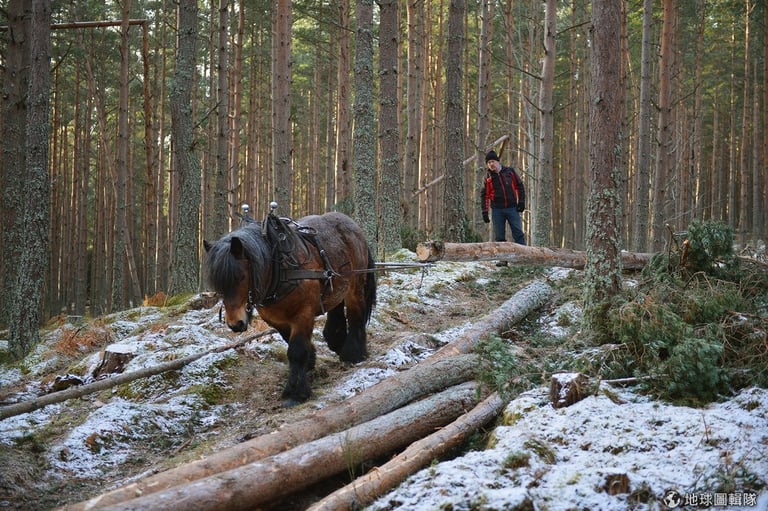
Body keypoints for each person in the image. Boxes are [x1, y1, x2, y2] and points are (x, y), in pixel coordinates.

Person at [480, 150, 526, 265]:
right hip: (497, 210)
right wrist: (485, 212)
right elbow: (484, 195)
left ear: (498, 161)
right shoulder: (488, 177)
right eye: (489, 162)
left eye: (493, 161)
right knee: (500, 236)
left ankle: (524, 257)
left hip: (512, 208)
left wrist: (521, 202)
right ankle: (503, 259)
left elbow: (520, 186)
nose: (491, 164)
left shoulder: (509, 172)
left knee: (518, 233)